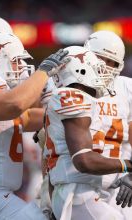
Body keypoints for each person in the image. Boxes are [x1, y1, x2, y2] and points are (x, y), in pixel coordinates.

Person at [0, 31, 69, 220]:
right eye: (16, 60)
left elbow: (28, 116)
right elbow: (13, 105)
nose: (22, 67)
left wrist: (79, 113)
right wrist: (43, 72)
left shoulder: (1, 99)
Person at [43, 45, 132, 220]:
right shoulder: (71, 96)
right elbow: (83, 160)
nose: (100, 74)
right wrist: (129, 164)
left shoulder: (78, 99)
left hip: (81, 192)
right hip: (78, 192)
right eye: (96, 68)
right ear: (80, 70)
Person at [84, 30, 132, 216]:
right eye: (100, 59)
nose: (105, 67)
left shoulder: (126, 88)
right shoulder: (66, 85)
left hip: (120, 184)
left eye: (111, 62)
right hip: (81, 183)